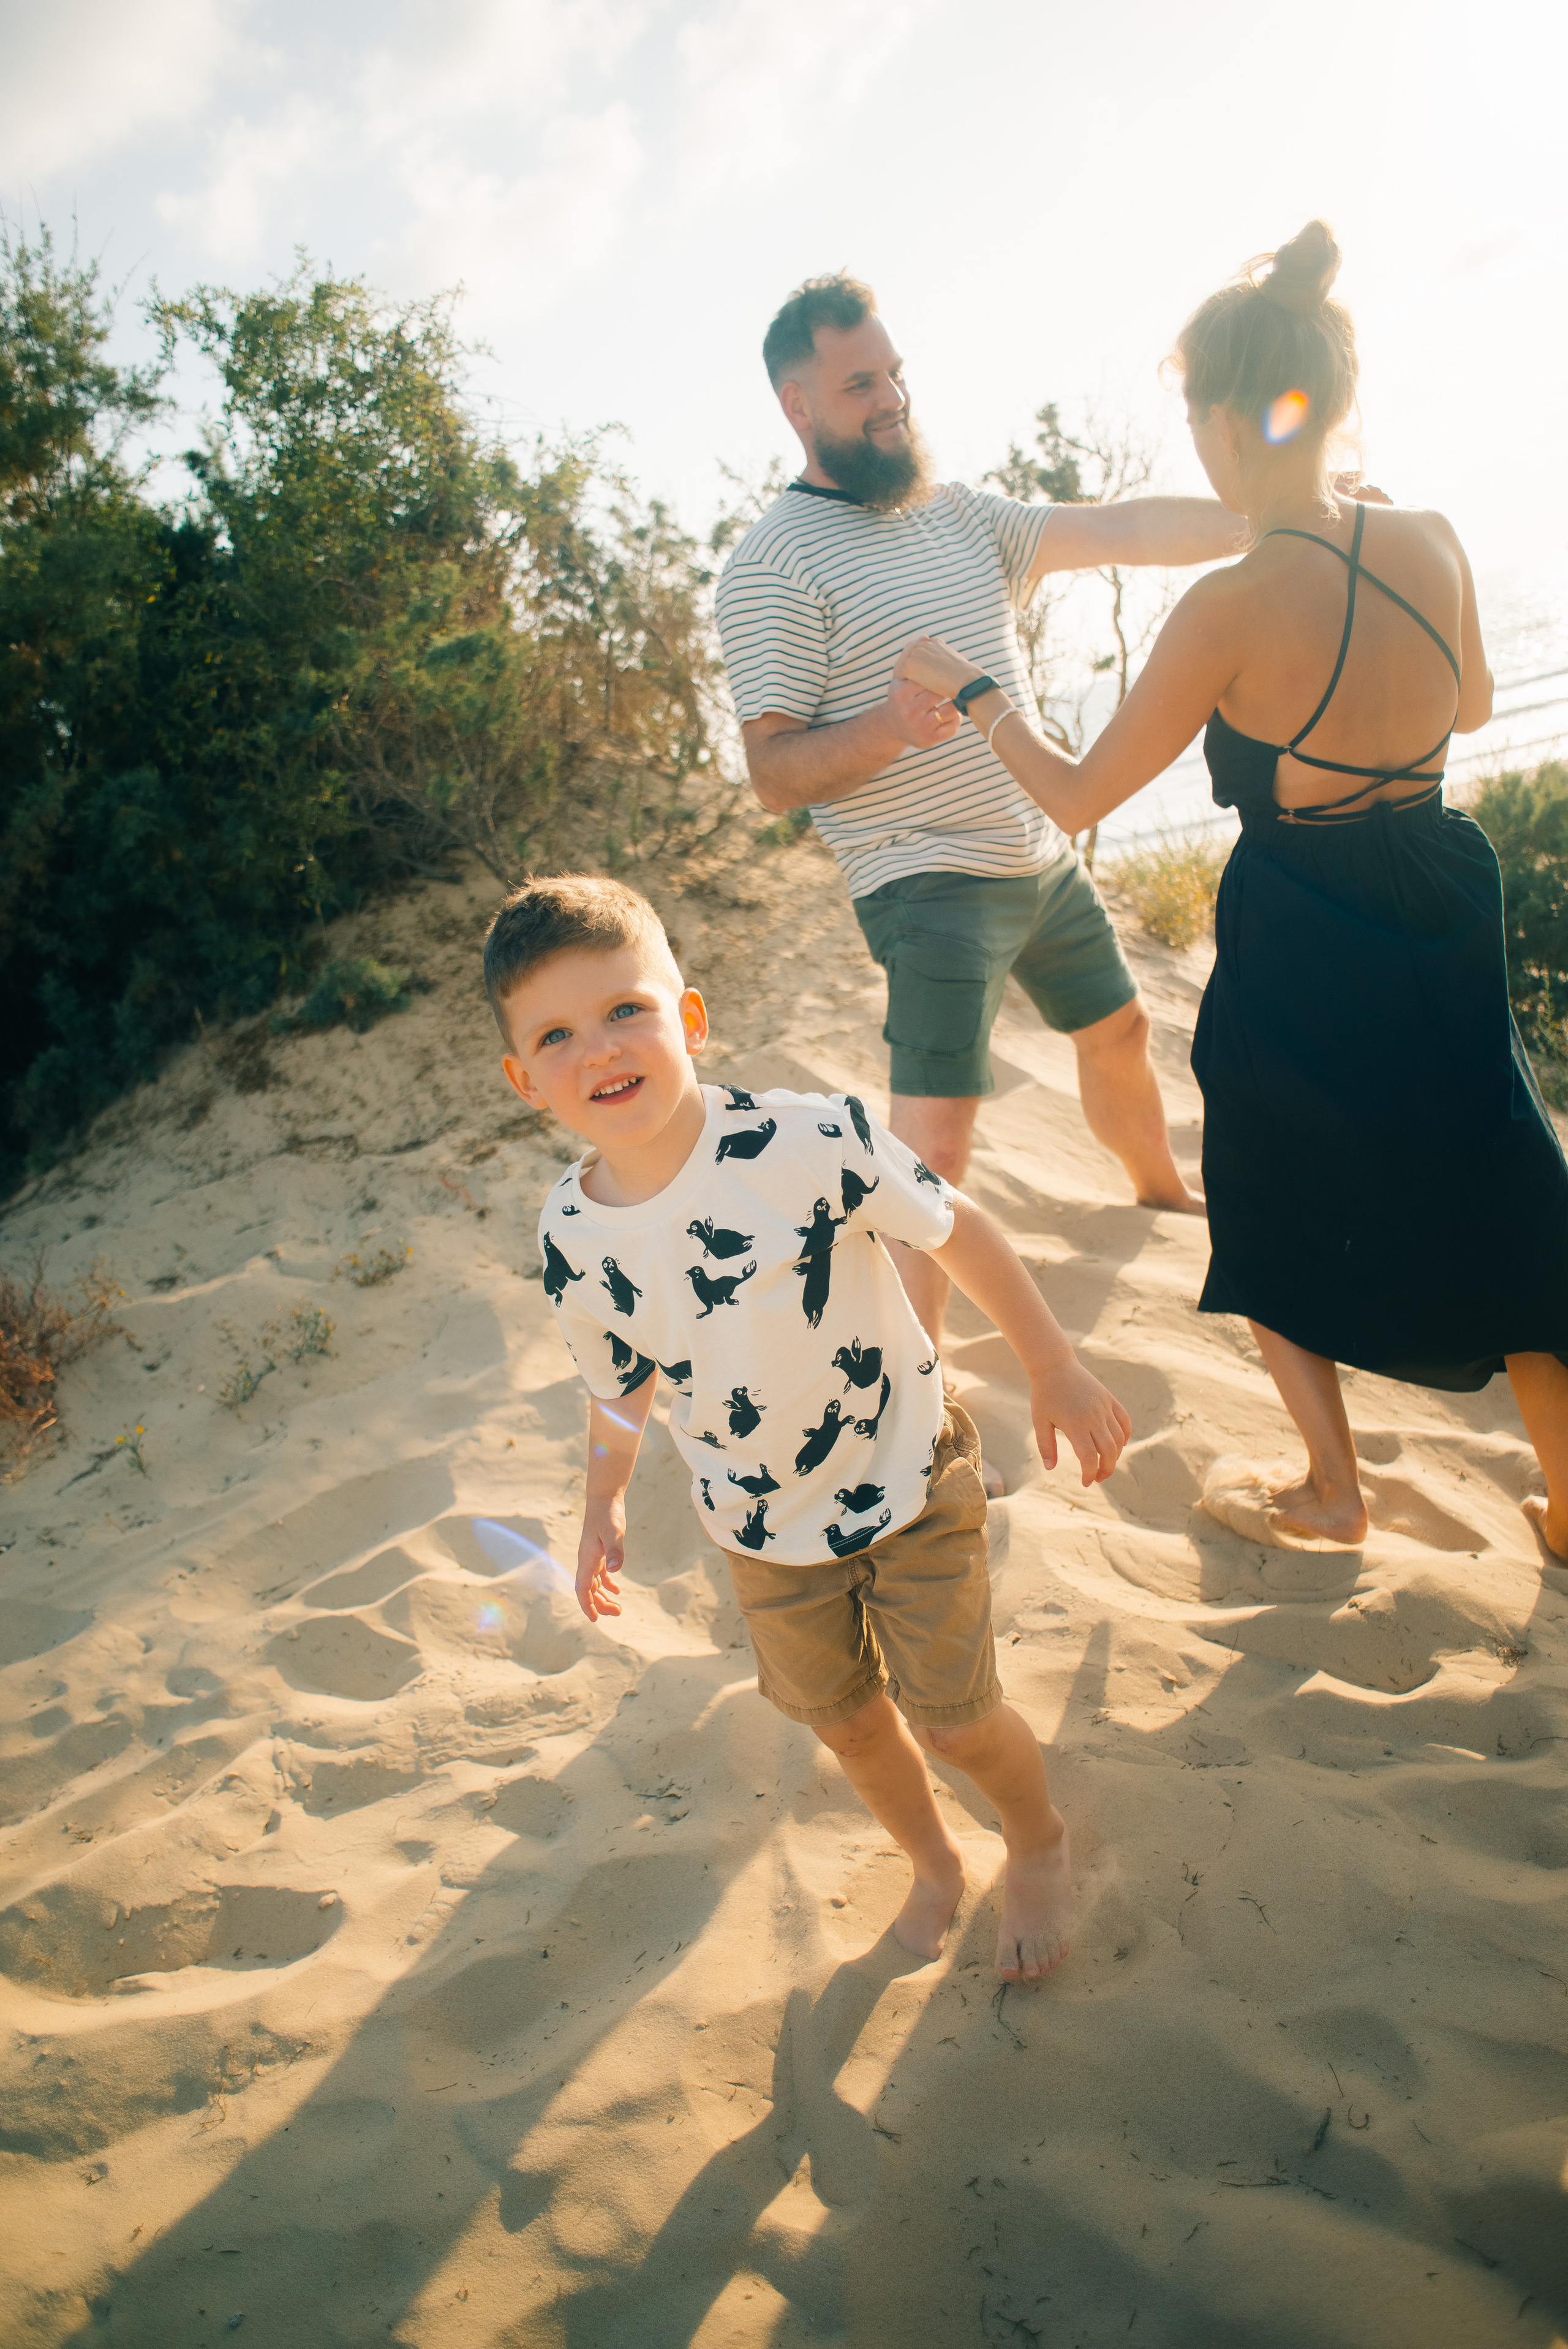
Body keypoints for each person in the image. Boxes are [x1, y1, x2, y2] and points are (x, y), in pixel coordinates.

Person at [893, 221, 1568, 1556]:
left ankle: (1330, 1485)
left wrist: (976, 693)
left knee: (1263, 1183)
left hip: (1310, 921)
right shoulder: (1426, 533)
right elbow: (1476, 702)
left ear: (1219, 416)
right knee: (1501, 1179)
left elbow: (1079, 798)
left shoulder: (1231, 601)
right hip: (1439, 884)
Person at [484, 874, 1131, 1976]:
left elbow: (951, 1224)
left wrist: (1054, 1362)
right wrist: (600, 1499)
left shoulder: (802, 1138)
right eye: (557, 1033)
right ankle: (933, 1862)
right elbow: (616, 1381)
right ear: (523, 1078)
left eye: (625, 1009)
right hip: (759, 1526)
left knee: (956, 1719)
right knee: (848, 1721)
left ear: (688, 1018)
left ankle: (1037, 1838)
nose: (599, 1048)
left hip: (906, 1471)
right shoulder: (573, 1234)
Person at [714, 270, 1248, 1370]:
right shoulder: (772, 563)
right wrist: (889, 728)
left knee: (1121, 1032)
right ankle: (919, 1395)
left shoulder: (955, 512)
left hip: (1037, 859)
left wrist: (1275, 519)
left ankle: (1158, 1194)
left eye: (896, 375)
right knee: (938, 1141)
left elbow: (1130, 528)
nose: (892, 399)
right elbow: (770, 772)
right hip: (926, 884)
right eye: (862, 384)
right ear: (798, 405)